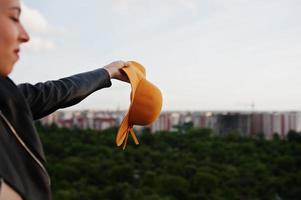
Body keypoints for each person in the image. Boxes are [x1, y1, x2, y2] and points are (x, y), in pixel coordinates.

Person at [0, 0, 129, 199]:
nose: (25, 35)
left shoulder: (5, 97)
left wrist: (108, 72)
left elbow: (56, 92)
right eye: (14, 17)